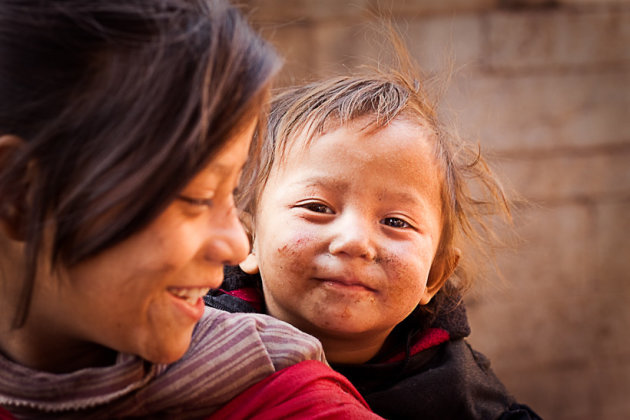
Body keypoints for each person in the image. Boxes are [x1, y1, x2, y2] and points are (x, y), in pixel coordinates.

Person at [0, 1, 381, 418]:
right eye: (199, 197)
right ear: (21, 192)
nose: (237, 245)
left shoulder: (290, 402)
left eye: (231, 193)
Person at [205, 32, 543, 419]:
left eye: (395, 221)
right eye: (317, 207)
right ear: (247, 239)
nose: (354, 241)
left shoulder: (460, 388)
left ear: (434, 276)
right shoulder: (194, 342)